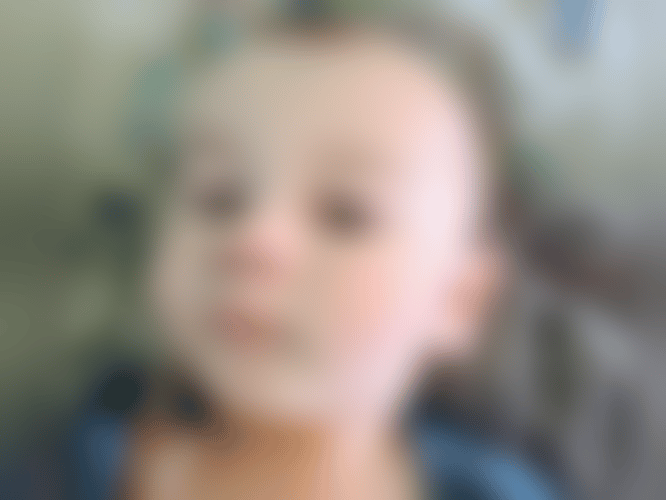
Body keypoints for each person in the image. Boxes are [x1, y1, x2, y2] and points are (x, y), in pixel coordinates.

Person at [6, 3, 566, 499]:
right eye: (218, 198)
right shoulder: (53, 468)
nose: (253, 243)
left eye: (345, 214)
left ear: (460, 300)